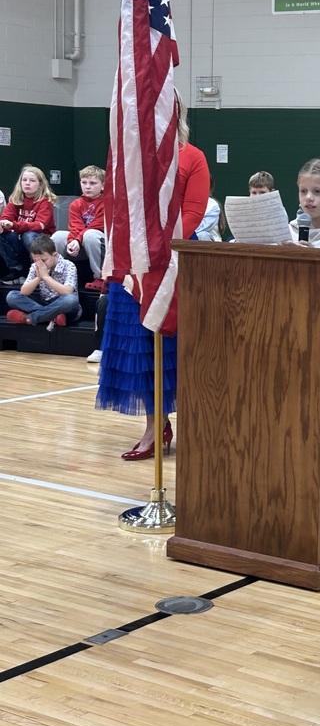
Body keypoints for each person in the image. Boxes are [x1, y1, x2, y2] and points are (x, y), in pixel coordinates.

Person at [96, 91, 210, 460]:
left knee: (173, 348)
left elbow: (193, 211)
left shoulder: (192, 157)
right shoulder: (129, 158)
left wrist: (162, 249)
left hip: (175, 261)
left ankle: (195, 426)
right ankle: (154, 426)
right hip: (132, 265)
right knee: (140, 348)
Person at [5, 234, 81, 330]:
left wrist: (45, 277)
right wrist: (38, 278)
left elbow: (67, 291)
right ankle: (51, 317)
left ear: (55, 255)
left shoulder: (69, 266)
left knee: (71, 300)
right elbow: (24, 292)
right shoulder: (35, 266)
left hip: (64, 306)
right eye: (35, 260)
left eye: (43, 260)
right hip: (45, 303)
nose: (40, 263)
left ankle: (30, 318)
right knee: (12, 296)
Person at [52, 164, 106, 290]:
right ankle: (58, 275)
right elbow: (76, 226)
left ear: (103, 185)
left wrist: (77, 239)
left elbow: (97, 225)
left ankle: (101, 278)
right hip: (81, 243)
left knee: (91, 234)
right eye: (84, 182)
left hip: (101, 244)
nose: (87, 186)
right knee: (58, 236)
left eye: (93, 183)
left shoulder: (107, 203)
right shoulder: (76, 204)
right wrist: (73, 241)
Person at [0, 165, 57, 285]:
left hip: (42, 239)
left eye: (32, 180)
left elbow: (40, 225)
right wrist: (4, 223)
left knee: (28, 235)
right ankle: (17, 270)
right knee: (4, 235)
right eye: (24, 180)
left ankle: (38, 270)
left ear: (40, 184)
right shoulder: (15, 199)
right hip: (20, 237)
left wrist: (13, 225)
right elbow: (6, 216)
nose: (27, 183)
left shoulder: (45, 201)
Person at [195, 175, 225, 241]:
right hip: (189, 244)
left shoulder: (212, 205)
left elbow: (201, 228)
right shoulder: (186, 202)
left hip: (212, 246)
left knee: (202, 235)